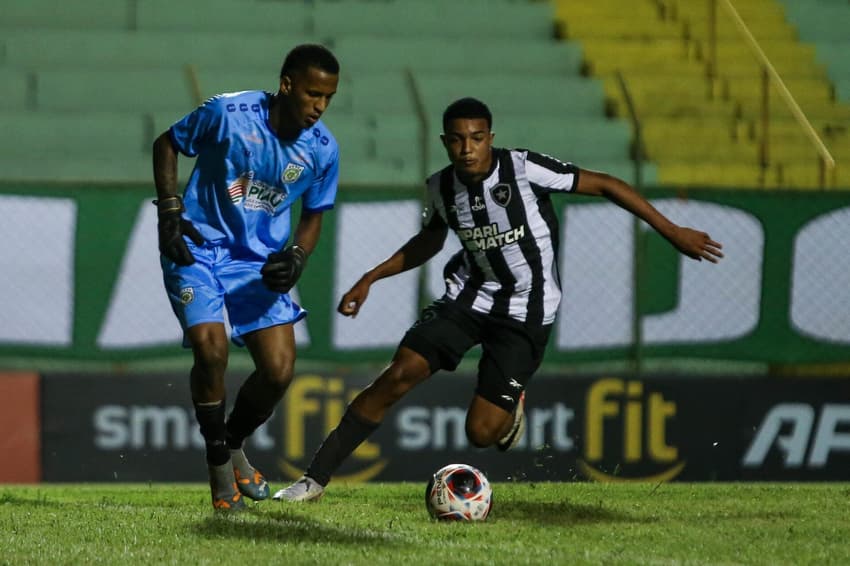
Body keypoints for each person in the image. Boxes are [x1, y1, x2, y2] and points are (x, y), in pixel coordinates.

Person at [272, 97, 724, 502]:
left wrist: (671, 230)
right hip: (470, 297)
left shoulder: (524, 169)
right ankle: (312, 481)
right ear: (445, 142)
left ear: (491, 137)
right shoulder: (441, 187)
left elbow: (605, 184)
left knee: (481, 433)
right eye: (458, 140)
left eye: (477, 138)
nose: (467, 148)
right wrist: (370, 278)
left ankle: (512, 401)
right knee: (397, 376)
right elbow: (428, 242)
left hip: (528, 309)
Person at [152, 44, 340, 511]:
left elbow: (314, 215)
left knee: (278, 371)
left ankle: (233, 443)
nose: (319, 106)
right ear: (287, 85)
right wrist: (170, 211)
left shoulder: (323, 150)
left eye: (328, 98)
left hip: (256, 264)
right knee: (210, 349)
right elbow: (167, 143)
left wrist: (297, 255)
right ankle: (219, 470)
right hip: (197, 248)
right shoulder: (228, 112)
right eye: (313, 94)